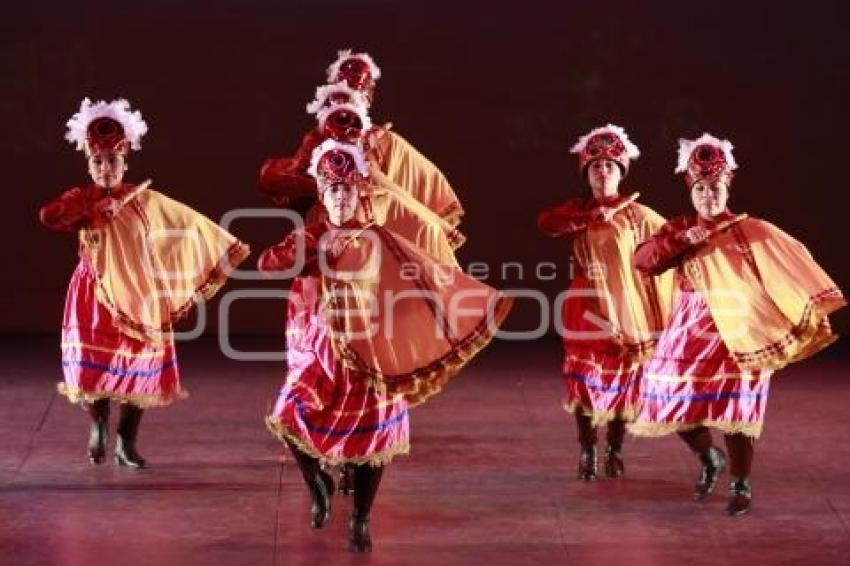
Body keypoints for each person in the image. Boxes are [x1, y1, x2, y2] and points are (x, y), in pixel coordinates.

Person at [259, 140, 511, 552]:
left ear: (358, 191)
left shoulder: (378, 237)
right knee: (289, 413)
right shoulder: (312, 234)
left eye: (346, 189)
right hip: (322, 349)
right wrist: (315, 243)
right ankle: (317, 481)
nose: (339, 197)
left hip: (371, 349)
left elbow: (421, 275)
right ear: (321, 193)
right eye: (331, 189)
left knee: (369, 440)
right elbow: (268, 263)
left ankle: (361, 518)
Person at [630, 133, 846, 515]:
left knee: (734, 411)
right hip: (690, 330)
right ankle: (709, 457)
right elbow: (644, 261)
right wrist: (682, 241)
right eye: (701, 189)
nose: (708, 196)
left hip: (739, 329)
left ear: (726, 189)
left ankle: (741, 483)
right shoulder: (680, 228)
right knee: (670, 401)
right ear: (691, 191)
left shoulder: (750, 230)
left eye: (715, 188)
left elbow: (790, 260)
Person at [39, 98, 249, 468]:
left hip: (141, 295)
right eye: (98, 162)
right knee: (94, 364)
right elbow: (49, 216)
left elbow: (188, 226)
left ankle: (126, 442)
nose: (106, 169)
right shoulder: (81, 198)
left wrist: (221, 248)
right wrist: (92, 211)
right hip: (95, 294)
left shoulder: (145, 200)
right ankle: (99, 426)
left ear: (126, 161)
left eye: (113, 162)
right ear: (89, 164)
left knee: (139, 369)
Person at [537, 124, 673, 480]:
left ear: (621, 172)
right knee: (584, 379)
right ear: (586, 172)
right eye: (595, 166)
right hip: (586, 304)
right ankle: (587, 449)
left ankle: (615, 448)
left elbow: (665, 246)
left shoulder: (636, 214)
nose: (602, 171)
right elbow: (547, 224)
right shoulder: (576, 209)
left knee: (623, 378)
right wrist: (587, 217)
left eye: (610, 166)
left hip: (624, 303)